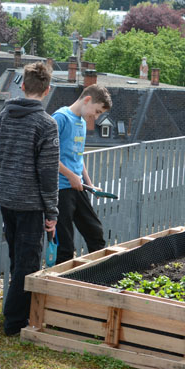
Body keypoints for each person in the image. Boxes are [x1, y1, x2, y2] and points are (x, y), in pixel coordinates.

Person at [0, 61, 60, 336]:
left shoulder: (4, 116)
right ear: (47, 90)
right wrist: (52, 212)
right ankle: (15, 322)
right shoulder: (46, 123)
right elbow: (48, 172)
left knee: (16, 259)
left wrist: (5, 181)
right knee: (28, 264)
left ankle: (18, 314)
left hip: (6, 197)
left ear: (22, 87)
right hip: (30, 203)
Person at [52, 84, 113, 264]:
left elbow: (78, 157)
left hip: (78, 187)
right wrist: (70, 176)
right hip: (60, 189)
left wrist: (90, 183)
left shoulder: (82, 123)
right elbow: (48, 155)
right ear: (87, 100)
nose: (96, 116)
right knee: (65, 247)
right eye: (97, 111)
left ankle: (98, 274)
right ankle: (61, 286)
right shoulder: (61, 118)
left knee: (96, 233)